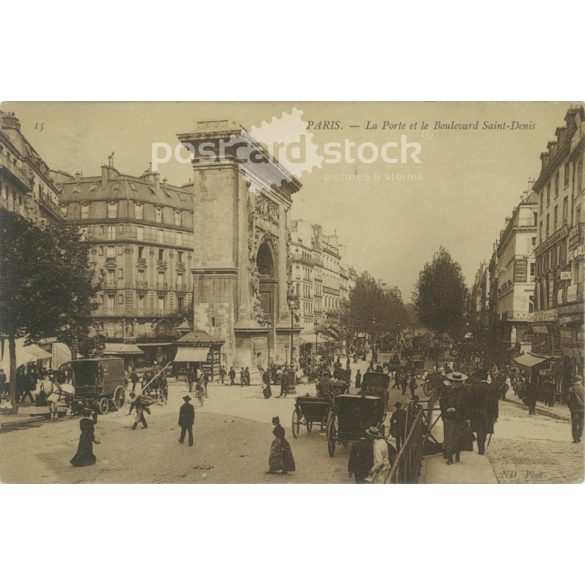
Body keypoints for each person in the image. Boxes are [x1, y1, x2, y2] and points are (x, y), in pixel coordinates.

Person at [439, 372, 471, 465]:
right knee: (449, 437)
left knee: (458, 437)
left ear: (461, 382)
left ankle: (456, 454)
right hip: (448, 417)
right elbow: (442, 402)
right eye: (455, 382)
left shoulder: (465, 392)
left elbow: (467, 405)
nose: (457, 384)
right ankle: (449, 457)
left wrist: (459, 411)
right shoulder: (447, 391)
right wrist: (447, 409)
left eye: (459, 382)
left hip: (460, 417)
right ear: (452, 382)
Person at [468, 369, 498, 455]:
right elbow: (495, 402)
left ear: (479, 377)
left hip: (476, 412)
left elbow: (471, 401)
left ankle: (481, 447)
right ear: (486, 377)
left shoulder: (475, 387)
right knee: (485, 430)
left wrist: (469, 414)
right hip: (488, 413)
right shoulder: (491, 387)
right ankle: (481, 447)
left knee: (479, 430)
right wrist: (495, 416)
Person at [566, 375, 584, 443]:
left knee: (574, 423)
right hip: (582, 409)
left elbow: (568, 399)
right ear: (581, 381)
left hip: (574, 409)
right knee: (581, 423)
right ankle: (579, 436)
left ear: (575, 381)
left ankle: (575, 438)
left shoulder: (571, 389)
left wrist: (569, 406)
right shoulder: (584, 389)